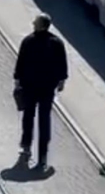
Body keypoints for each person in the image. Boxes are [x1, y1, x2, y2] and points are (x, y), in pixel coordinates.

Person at [13, 13, 68, 171]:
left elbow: (20, 61)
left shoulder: (28, 41)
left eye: (35, 22)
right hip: (47, 87)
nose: (32, 23)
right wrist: (61, 80)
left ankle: (26, 147)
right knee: (44, 120)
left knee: (28, 117)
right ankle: (42, 157)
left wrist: (17, 80)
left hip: (30, 86)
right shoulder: (56, 42)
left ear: (41, 25)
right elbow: (62, 63)